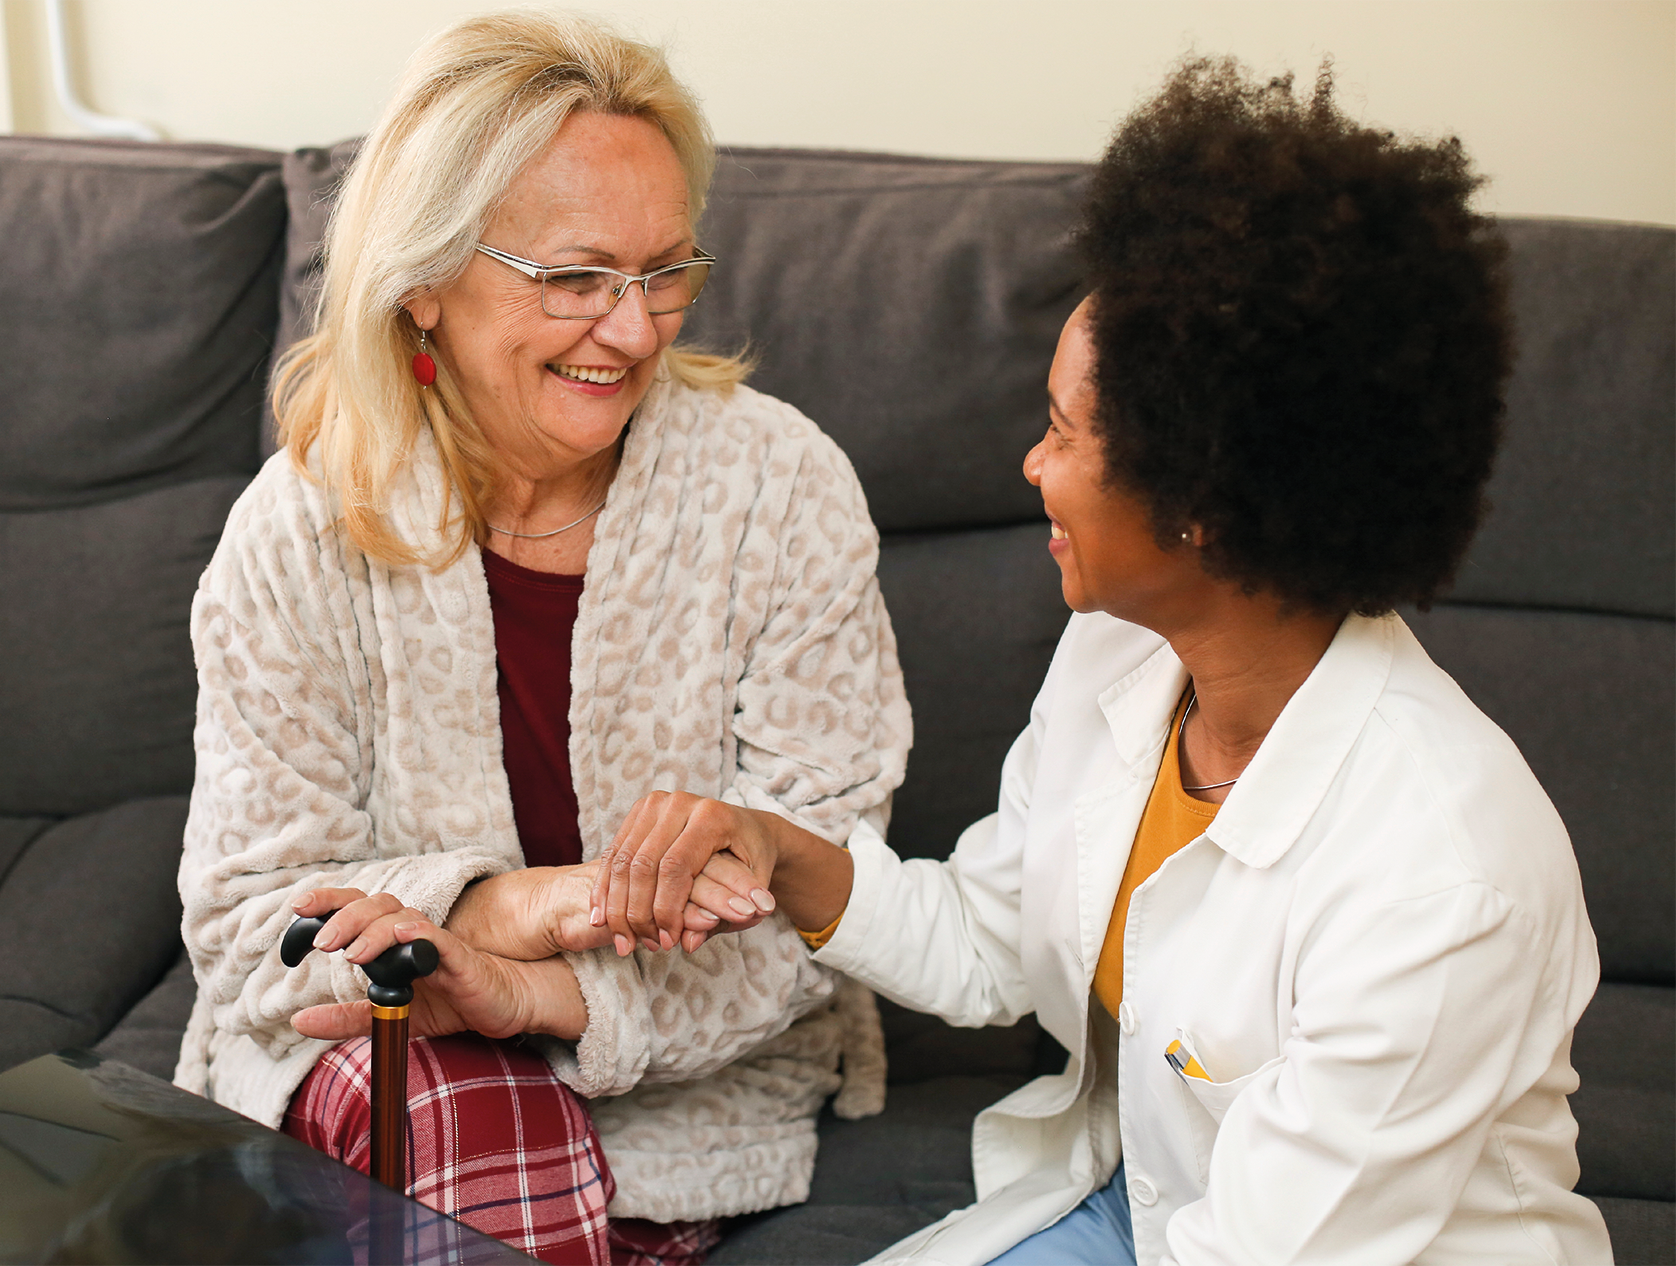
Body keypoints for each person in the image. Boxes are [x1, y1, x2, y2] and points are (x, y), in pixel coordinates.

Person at [586, 59, 1612, 1265]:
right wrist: (774, 848)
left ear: (1200, 502)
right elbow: (987, 946)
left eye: (1062, 432)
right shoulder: (1118, 651)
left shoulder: (1438, 881)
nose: (1029, 466)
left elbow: (1257, 1252)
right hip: (1144, 1206)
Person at [172, 12, 909, 1266]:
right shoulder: (300, 526)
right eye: (575, 279)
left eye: (663, 272)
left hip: (691, 1075)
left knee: (474, 1167)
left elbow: (820, 900)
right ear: (423, 281)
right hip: (389, 1049)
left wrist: (533, 990)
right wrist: (501, 907)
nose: (633, 330)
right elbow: (251, 927)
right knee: (451, 1111)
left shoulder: (780, 488)